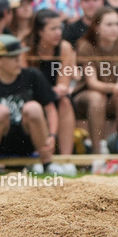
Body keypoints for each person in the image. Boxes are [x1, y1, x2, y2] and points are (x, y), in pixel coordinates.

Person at [0, 34, 64, 176]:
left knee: (33, 108)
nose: (19, 60)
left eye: (19, 56)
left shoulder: (33, 76)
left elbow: (50, 109)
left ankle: (47, 163)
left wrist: (52, 136)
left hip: (30, 140)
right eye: (13, 57)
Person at [72, 6, 118, 155]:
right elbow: (92, 83)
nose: (115, 29)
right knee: (97, 98)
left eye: (117, 24)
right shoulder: (85, 45)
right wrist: (115, 88)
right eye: (109, 24)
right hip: (86, 95)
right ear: (97, 27)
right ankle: (97, 153)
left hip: (113, 95)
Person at [27, 9, 77, 166]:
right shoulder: (26, 48)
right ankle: (39, 155)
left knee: (65, 101)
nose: (58, 32)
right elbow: (23, 82)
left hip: (54, 95)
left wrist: (58, 90)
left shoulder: (64, 47)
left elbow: (63, 83)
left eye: (59, 28)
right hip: (31, 97)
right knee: (35, 107)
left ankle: (66, 160)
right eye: (53, 29)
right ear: (40, 31)